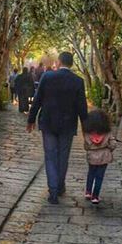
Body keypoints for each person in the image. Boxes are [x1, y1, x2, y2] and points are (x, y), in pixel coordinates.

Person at [27, 52, 88, 204]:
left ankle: (53, 191)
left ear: (59, 62)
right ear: (72, 64)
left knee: (50, 157)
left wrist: (31, 119)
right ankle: (60, 186)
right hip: (68, 125)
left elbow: (38, 99)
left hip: (48, 123)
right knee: (63, 157)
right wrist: (86, 128)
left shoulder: (47, 77)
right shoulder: (78, 81)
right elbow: (82, 107)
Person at [83, 109, 117, 205]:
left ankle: (88, 192)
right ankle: (95, 196)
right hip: (104, 156)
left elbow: (86, 146)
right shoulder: (108, 132)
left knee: (91, 173)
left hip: (92, 157)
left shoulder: (87, 133)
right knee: (99, 177)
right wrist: (109, 149)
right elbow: (113, 144)